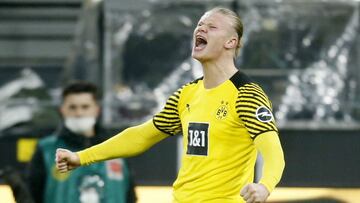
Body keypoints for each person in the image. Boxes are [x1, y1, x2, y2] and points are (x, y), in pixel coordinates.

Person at [56, 7, 285, 203]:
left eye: (211, 27)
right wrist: (81, 157)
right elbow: (142, 135)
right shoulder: (187, 94)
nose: (201, 29)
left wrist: (264, 186)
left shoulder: (246, 94)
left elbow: (273, 150)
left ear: (231, 42)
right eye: (200, 24)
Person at [27, 81, 136, 203]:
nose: (79, 113)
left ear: (96, 109)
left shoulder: (117, 149)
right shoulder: (46, 150)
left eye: (85, 107)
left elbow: (130, 196)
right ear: (62, 110)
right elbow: (34, 195)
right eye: (72, 107)